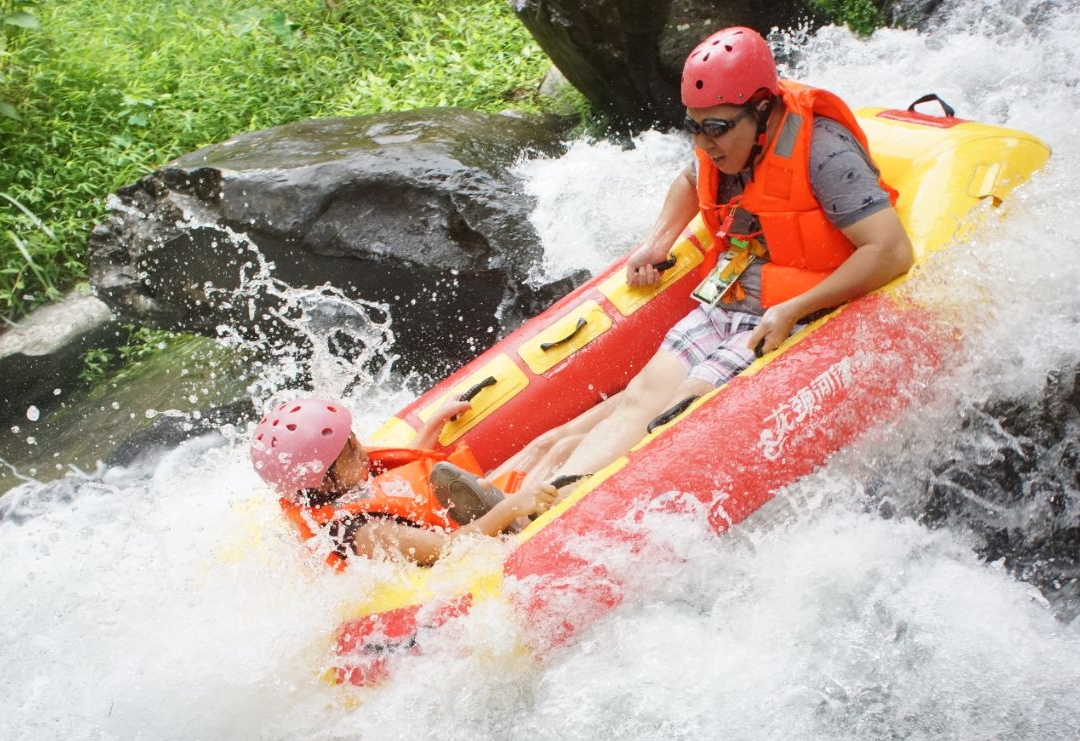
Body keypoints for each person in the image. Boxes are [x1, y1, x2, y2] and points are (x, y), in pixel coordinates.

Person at [507, 25, 916, 493]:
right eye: (694, 128)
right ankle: (527, 501)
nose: (703, 144)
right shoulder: (719, 143)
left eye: (716, 129)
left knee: (678, 410)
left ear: (761, 110)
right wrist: (657, 241)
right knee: (640, 397)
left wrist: (794, 308)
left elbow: (890, 250)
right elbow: (689, 179)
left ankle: (547, 508)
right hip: (729, 299)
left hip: (793, 315)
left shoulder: (823, 153)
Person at [250, 397, 556, 569]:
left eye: (355, 442)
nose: (363, 454)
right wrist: (511, 508)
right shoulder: (361, 531)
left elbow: (395, 476)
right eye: (352, 452)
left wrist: (429, 431)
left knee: (546, 445)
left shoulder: (337, 483)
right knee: (552, 453)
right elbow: (449, 550)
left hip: (449, 516)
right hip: (461, 546)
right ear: (322, 483)